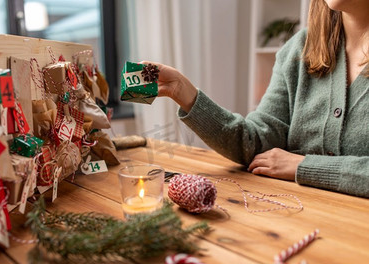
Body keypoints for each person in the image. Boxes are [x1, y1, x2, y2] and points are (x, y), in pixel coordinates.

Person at [145, 0, 369, 198]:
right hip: (290, 216)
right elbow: (256, 144)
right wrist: (184, 92)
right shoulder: (298, 49)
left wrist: (306, 166)